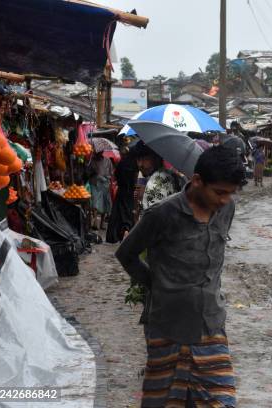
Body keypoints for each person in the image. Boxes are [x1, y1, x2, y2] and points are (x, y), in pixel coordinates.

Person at [116, 146, 245, 408]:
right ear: (197, 181)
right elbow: (126, 254)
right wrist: (157, 284)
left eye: (231, 193)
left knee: (221, 401)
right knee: (164, 402)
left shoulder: (226, 210)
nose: (225, 199)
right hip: (167, 327)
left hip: (210, 325)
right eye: (219, 192)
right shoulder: (162, 214)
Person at [134, 141, 184, 212]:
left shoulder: (153, 186)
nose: (140, 164)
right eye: (138, 159)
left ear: (157, 158)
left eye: (146, 159)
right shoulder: (170, 174)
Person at [106, 145, 138, 243]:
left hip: (122, 191)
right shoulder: (135, 164)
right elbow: (135, 179)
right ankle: (127, 230)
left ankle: (120, 232)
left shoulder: (121, 164)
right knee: (129, 211)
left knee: (119, 212)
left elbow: (116, 176)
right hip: (131, 192)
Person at [87, 151, 113, 230]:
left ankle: (102, 223)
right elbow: (88, 172)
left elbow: (111, 172)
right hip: (95, 183)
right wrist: (93, 171)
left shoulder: (107, 160)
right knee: (95, 203)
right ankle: (95, 222)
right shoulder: (92, 160)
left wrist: (107, 178)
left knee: (105, 204)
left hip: (105, 184)